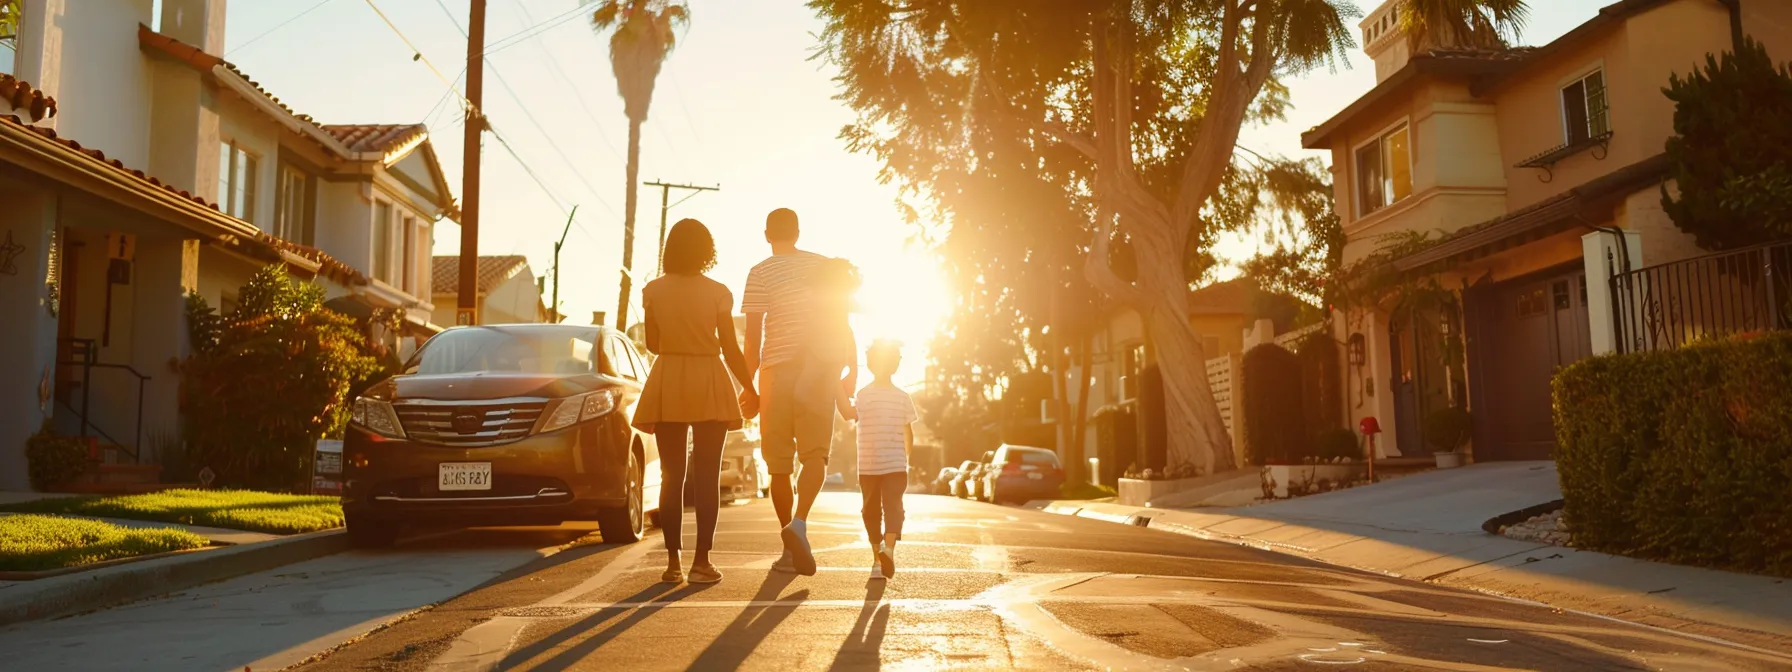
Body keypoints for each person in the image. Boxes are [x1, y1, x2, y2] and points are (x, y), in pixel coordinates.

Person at [634, 218, 759, 585]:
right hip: (709, 378)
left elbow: (653, 345)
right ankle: (702, 562)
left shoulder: (653, 290)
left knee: (672, 476)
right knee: (707, 477)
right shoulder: (719, 292)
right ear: (707, 251)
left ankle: (672, 564)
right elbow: (730, 348)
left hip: (669, 377)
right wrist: (750, 386)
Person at [742, 208, 844, 576]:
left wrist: (746, 387)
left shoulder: (759, 273)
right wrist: (846, 369)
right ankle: (799, 523)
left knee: (779, 466)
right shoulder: (821, 266)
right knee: (815, 455)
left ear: (767, 234)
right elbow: (841, 318)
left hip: (777, 374)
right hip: (819, 370)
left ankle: (788, 550)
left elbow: (753, 341)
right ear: (798, 233)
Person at [849, 340, 917, 580]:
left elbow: (855, 424)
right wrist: (904, 457)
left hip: (871, 465)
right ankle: (887, 549)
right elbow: (909, 433)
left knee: (871, 511)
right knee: (893, 508)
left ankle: (879, 557)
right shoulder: (894, 397)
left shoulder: (867, 395)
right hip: (891, 464)